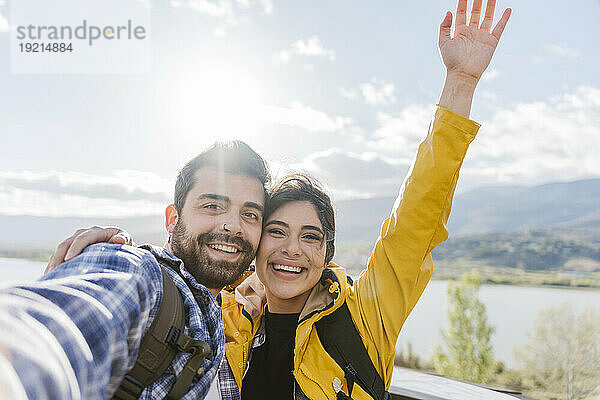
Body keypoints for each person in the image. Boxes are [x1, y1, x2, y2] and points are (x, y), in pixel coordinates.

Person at [42, 0, 511, 398]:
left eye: (311, 237)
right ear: (256, 245)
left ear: (327, 251)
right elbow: (163, 275)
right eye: (276, 231)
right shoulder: (222, 321)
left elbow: (414, 224)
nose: (292, 249)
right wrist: (101, 252)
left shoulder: (365, 317)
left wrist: (460, 84)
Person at [0, 141, 270, 399]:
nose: (233, 225)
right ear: (173, 220)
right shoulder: (137, 271)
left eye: (250, 214)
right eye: (212, 206)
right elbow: (53, 332)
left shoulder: (240, 313)